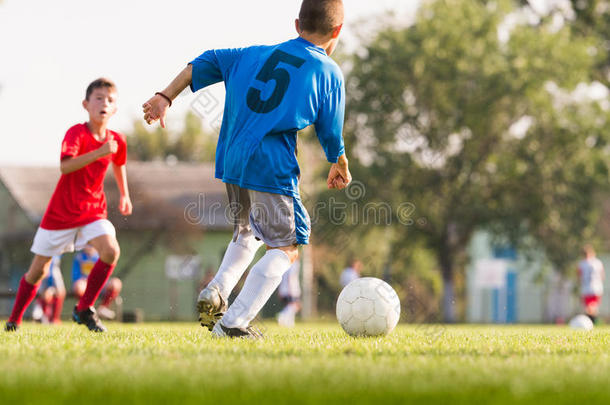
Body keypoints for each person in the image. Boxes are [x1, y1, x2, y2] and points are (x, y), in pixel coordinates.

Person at [143, 0, 350, 338]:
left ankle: (217, 289)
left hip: (232, 158)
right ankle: (234, 323)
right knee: (287, 246)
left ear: (297, 25)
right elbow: (330, 133)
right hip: (270, 164)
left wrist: (166, 96)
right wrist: (339, 162)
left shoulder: (252, 53)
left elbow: (206, 60)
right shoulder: (327, 71)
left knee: (249, 232)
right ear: (337, 31)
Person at [4, 78, 132, 333]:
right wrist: (99, 152)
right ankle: (14, 320)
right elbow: (65, 166)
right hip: (61, 214)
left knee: (110, 250)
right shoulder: (76, 133)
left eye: (109, 100)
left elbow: (118, 162)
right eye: (98, 98)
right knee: (37, 272)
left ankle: (84, 309)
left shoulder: (117, 140)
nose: (104, 103)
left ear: (115, 109)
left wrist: (124, 194)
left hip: (93, 211)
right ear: (86, 104)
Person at [72, 245, 123, 320]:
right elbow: (76, 276)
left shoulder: (101, 256)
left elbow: (105, 273)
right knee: (78, 286)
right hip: (85, 285)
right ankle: (84, 309)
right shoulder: (79, 257)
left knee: (116, 283)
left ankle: (103, 308)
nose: (89, 247)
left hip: (100, 284)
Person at [31, 255, 66, 324]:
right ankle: (43, 316)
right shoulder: (41, 257)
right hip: (43, 282)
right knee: (44, 295)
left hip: (51, 281)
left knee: (60, 292)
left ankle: (54, 318)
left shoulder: (55, 263)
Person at [578, 245, 605, 324]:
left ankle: (590, 321)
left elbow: (579, 275)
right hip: (597, 287)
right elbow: (602, 275)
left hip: (586, 288)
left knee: (588, 307)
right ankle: (593, 321)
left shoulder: (581, 264)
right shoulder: (598, 262)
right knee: (594, 307)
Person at [277, 261, 301, 327]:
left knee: (290, 305)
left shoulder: (285, 263)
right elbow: (291, 277)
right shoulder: (294, 264)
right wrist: (292, 289)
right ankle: (282, 316)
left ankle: (289, 322)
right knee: (294, 305)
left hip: (283, 289)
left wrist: (279, 290)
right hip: (291, 289)